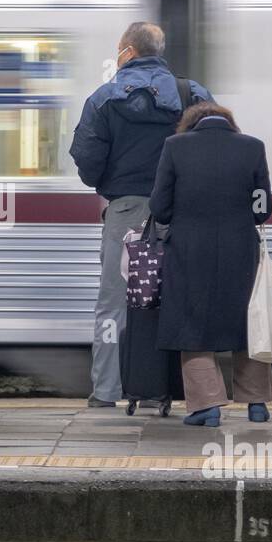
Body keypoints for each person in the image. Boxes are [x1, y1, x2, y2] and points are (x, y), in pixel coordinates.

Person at [69, 21, 211, 409]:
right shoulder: (192, 93)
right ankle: (158, 391)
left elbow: (86, 160)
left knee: (116, 302)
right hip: (181, 212)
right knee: (174, 300)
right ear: (159, 51)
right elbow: (213, 148)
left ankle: (107, 391)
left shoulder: (103, 98)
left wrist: (113, 184)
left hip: (126, 209)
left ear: (127, 52)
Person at [149, 102, 272, 428]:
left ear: (190, 124)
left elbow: (160, 207)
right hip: (241, 250)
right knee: (248, 324)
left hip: (189, 251)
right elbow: (263, 207)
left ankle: (208, 407)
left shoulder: (175, 146)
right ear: (229, 122)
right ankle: (256, 403)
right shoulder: (252, 147)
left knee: (191, 325)